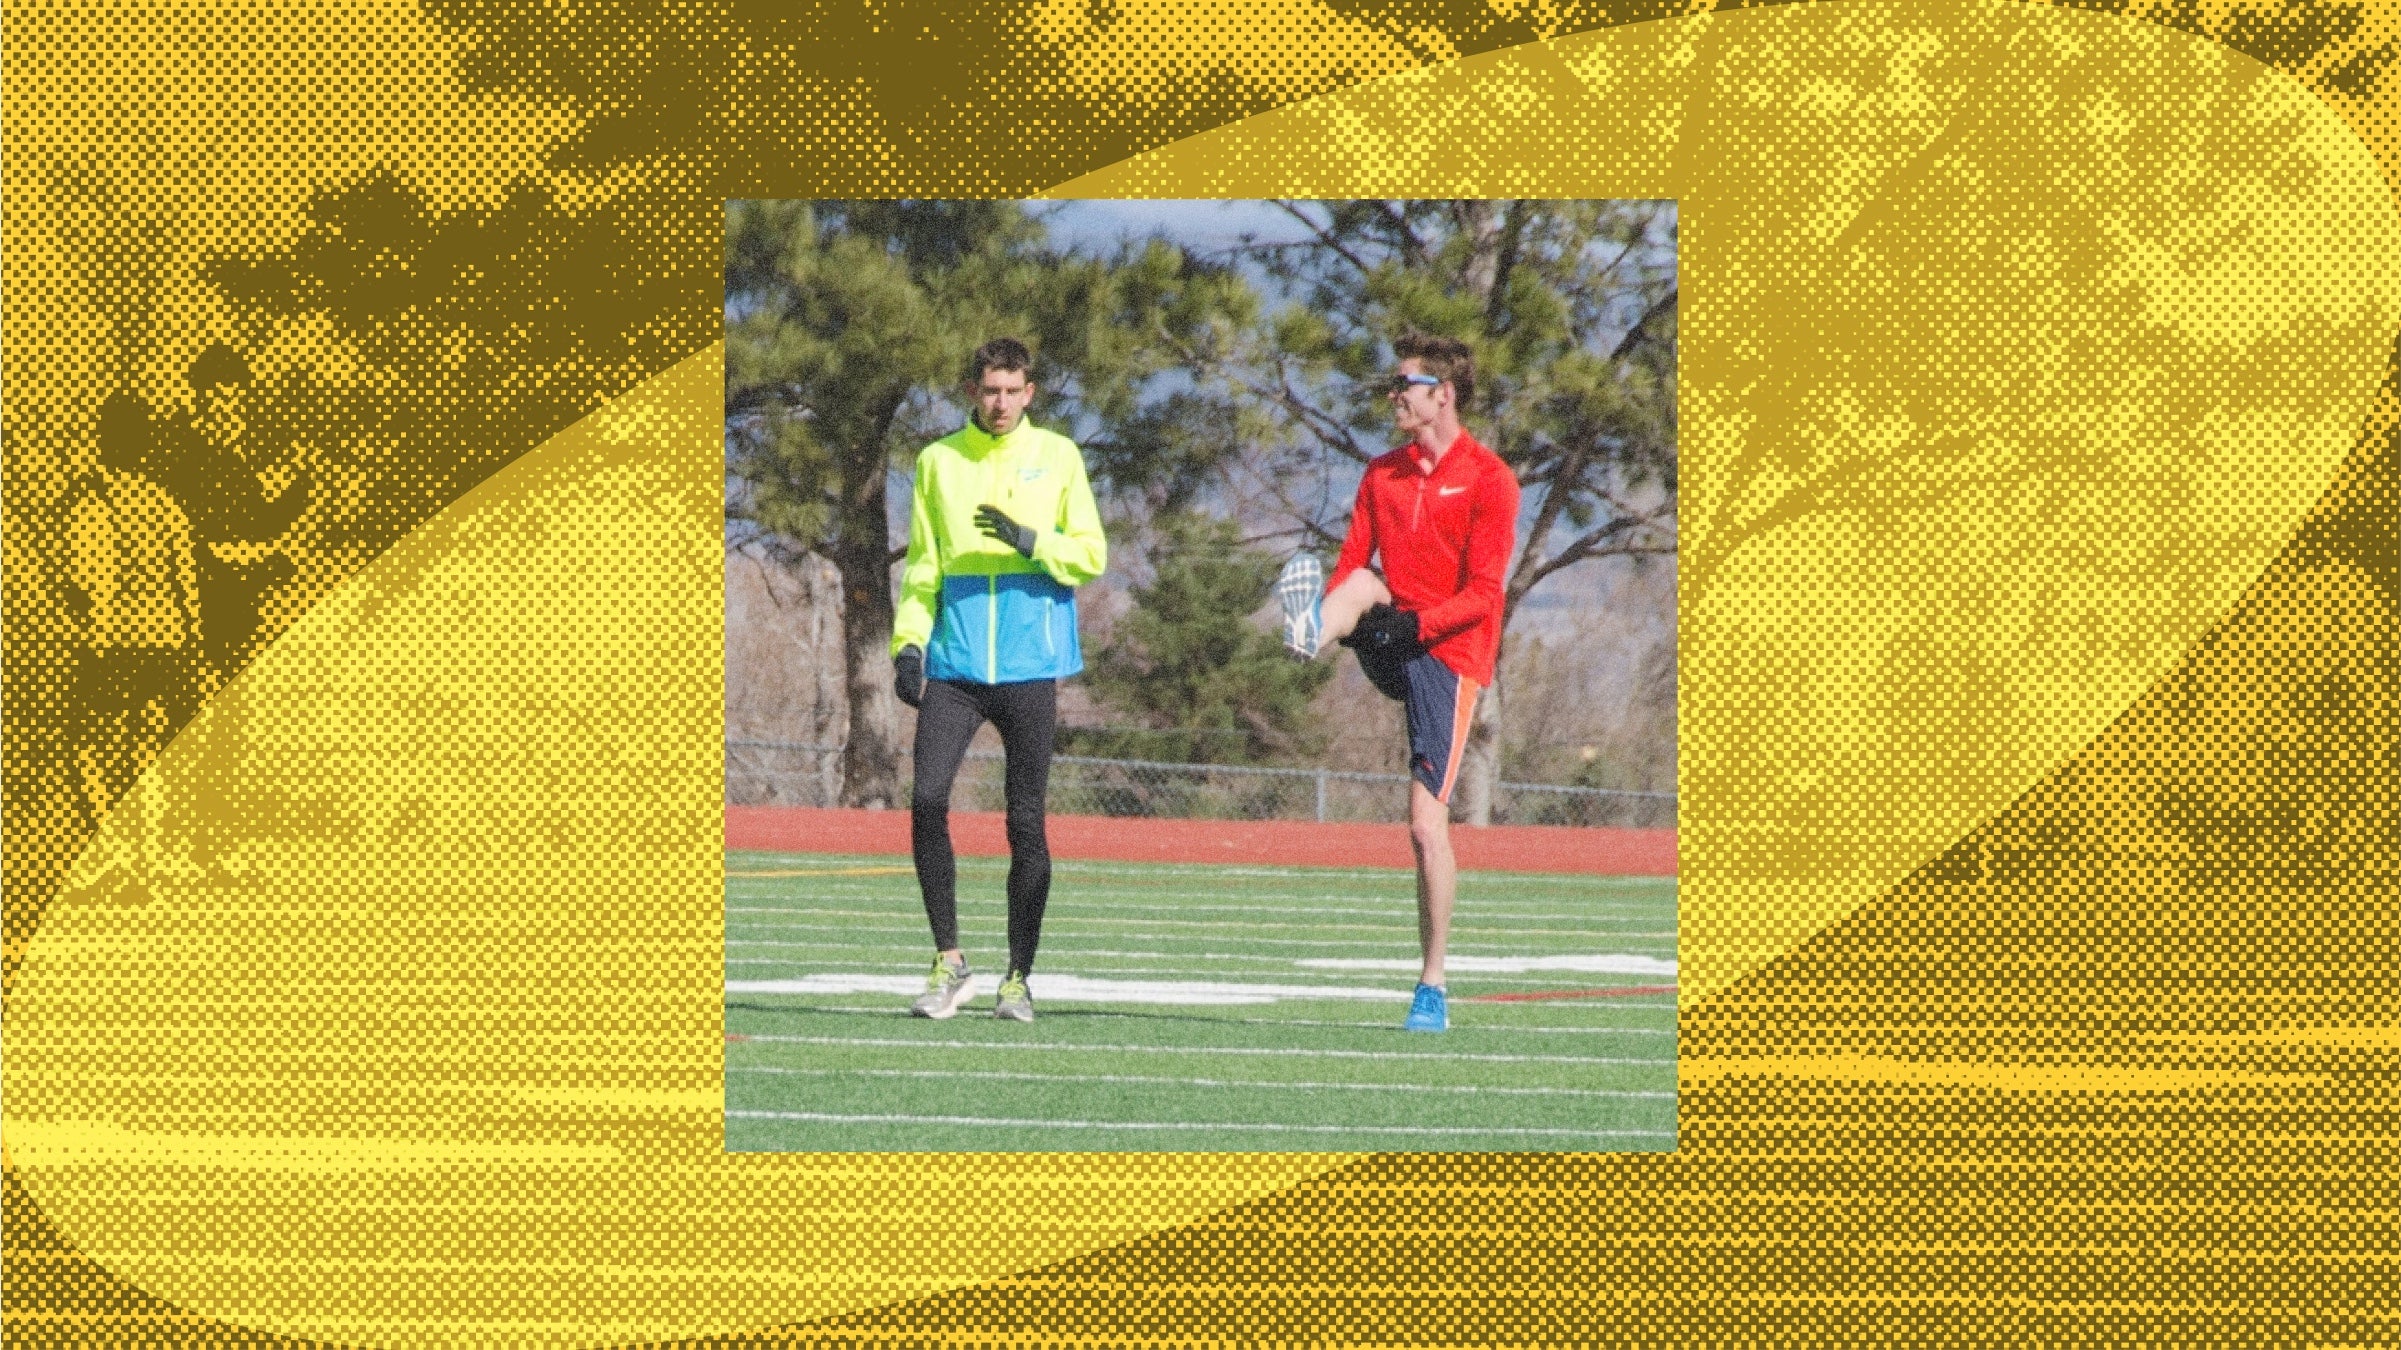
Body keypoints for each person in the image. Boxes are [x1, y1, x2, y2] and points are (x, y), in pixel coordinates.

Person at [1273, 333, 1520, 1032]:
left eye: (1405, 385)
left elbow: (1484, 594)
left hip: (1448, 657)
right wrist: (1358, 614)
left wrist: (1417, 628)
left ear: (1442, 394)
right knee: (1352, 582)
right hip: (1388, 630)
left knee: (1422, 827)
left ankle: (1432, 984)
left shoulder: (1490, 478)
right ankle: (1305, 635)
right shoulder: (1381, 474)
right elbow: (1354, 561)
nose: (1392, 397)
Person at [889, 337, 1107, 1022]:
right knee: (926, 798)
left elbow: (1090, 556)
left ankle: (1018, 977)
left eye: (1013, 391)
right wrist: (908, 646)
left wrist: (1030, 540)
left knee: (1025, 823)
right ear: (971, 390)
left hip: (1028, 666)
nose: (1001, 403)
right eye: (990, 391)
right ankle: (949, 963)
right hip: (954, 666)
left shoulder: (1058, 457)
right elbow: (924, 565)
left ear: (1030, 392)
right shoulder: (938, 462)